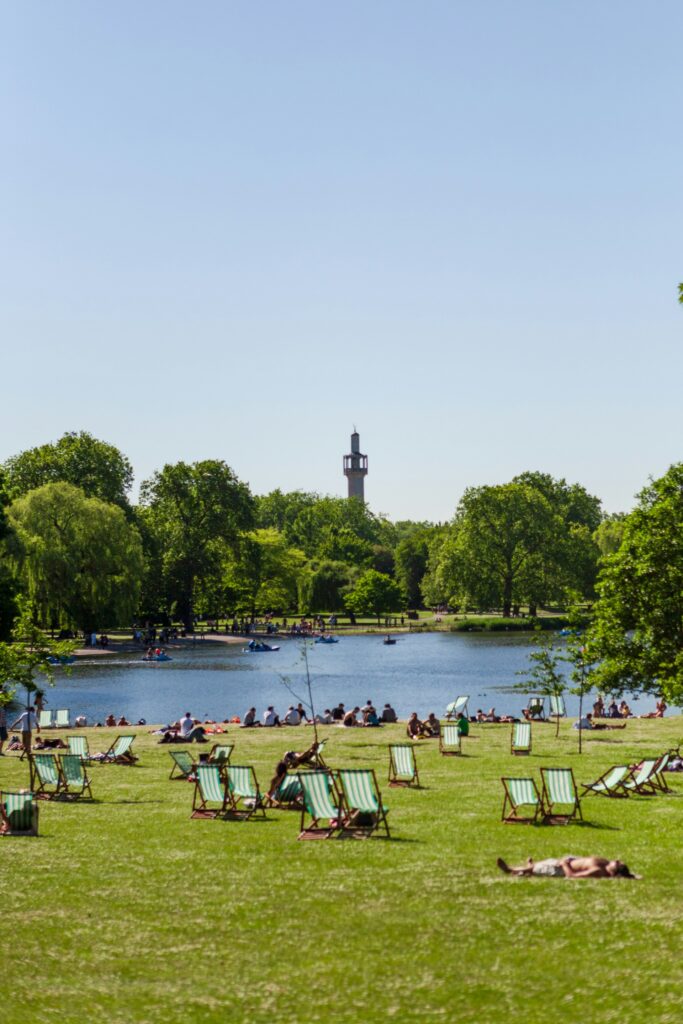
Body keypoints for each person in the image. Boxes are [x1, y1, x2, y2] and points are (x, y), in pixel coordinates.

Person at [497, 855, 639, 879]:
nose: (617, 860)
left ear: (614, 871)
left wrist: (565, 864)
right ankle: (527, 869)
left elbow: (571, 876)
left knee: (535, 868)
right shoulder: (605, 863)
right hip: (566, 861)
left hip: (559, 869)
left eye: (618, 863)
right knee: (537, 867)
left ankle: (511, 870)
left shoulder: (598, 871)